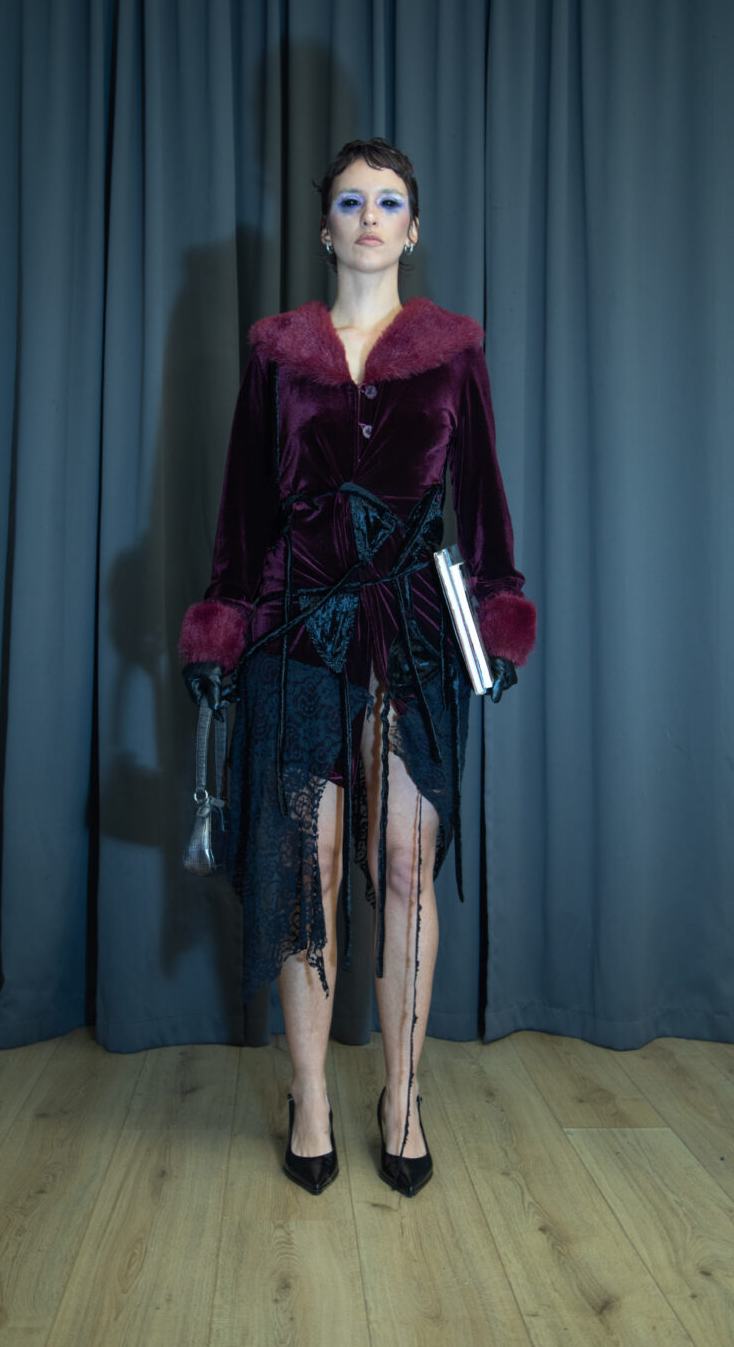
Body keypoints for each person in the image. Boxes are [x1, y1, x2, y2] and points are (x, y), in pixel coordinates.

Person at [179, 138, 535, 1197]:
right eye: (350, 201)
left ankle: (402, 1097)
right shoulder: (277, 355)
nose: (369, 216)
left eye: (388, 202)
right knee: (310, 867)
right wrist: (221, 629)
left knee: (408, 866)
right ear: (327, 228)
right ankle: (311, 1096)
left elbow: (482, 507)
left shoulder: (452, 354)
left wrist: (498, 621)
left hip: (415, 632)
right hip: (297, 628)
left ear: (412, 229)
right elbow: (242, 513)